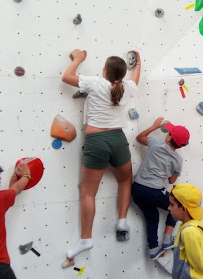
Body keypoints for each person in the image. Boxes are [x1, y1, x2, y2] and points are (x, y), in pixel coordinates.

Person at [61, 49, 140, 267]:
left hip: (97, 141)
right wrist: (138, 64)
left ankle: (86, 238)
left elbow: (66, 77)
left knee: (88, 192)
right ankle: (122, 221)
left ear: (104, 71)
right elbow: (135, 78)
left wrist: (77, 59)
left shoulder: (96, 83)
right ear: (121, 75)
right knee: (125, 180)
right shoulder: (127, 88)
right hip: (118, 138)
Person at [132, 117, 189, 260]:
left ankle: (154, 249)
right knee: (178, 206)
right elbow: (172, 179)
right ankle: (167, 239)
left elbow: (140, 138)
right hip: (153, 190)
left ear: (168, 137)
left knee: (153, 217)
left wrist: (155, 126)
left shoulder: (155, 143)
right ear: (181, 146)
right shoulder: (178, 161)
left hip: (137, 189)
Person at [168, 184, 203, 279]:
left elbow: (198, 262)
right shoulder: (186, 228)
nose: (169, 208)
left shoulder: (189, 232)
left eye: (172, 205)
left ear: (184, 209)